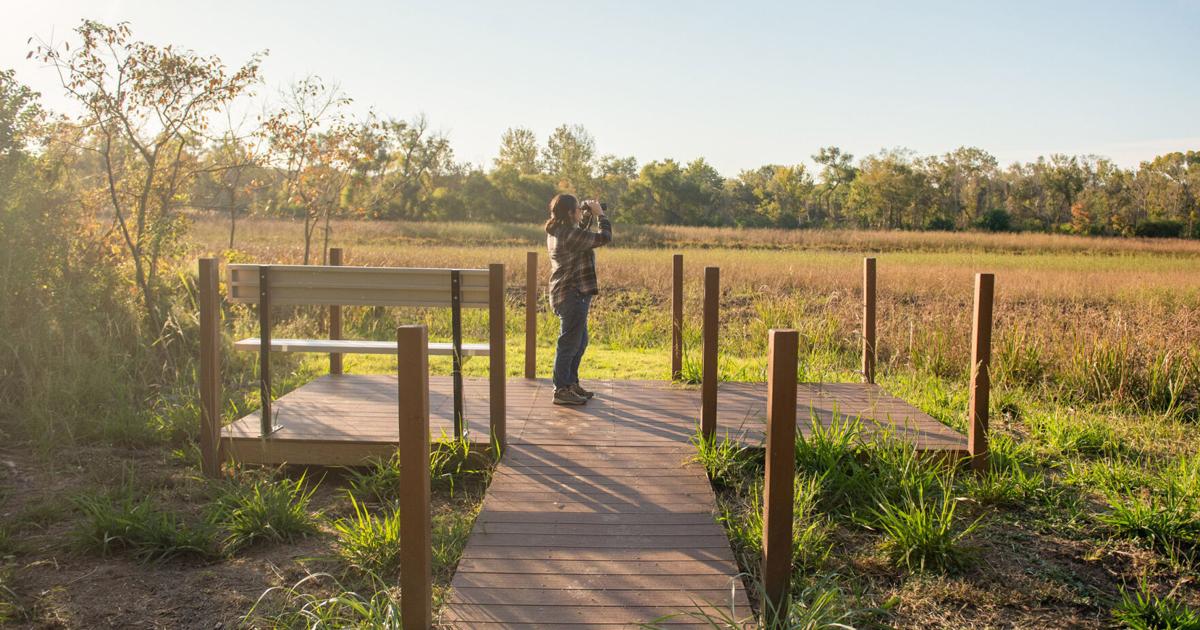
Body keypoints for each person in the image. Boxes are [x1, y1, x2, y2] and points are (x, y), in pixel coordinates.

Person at [545, 193, 612, 405]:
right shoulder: (568, 235)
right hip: (571, 295)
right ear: (569, 213)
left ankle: (570, 383)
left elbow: (579, 234)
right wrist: (600, 215)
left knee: (579, 342)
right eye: (577, 209)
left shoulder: (559, 231)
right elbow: (603, 237)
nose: (578, 212)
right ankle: (561, 390)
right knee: (569, 344)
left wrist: (586, 215)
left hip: (570, 294)